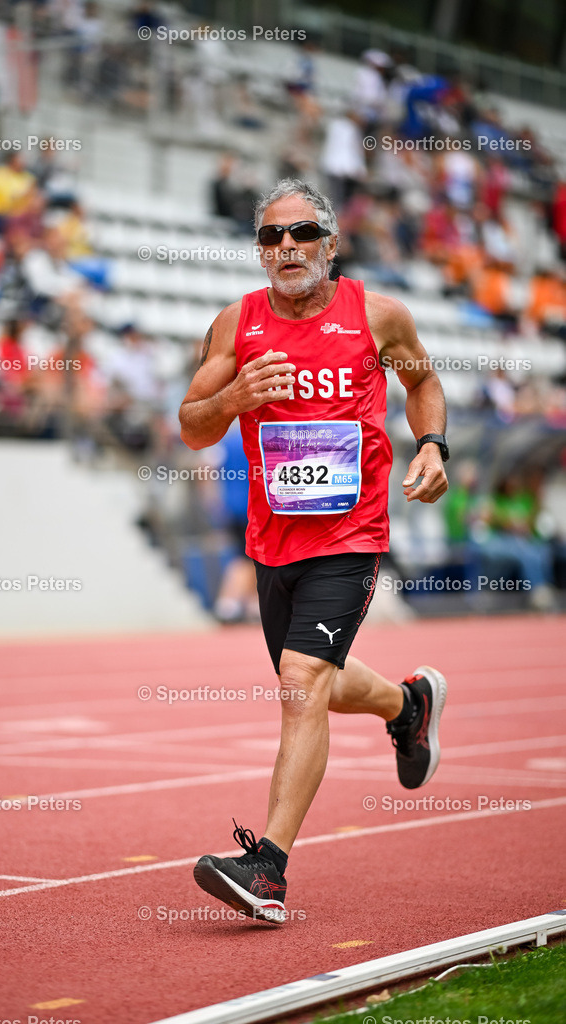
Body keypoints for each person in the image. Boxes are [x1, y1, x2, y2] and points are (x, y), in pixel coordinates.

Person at [179, 178, 449, 924]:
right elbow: (193, 426)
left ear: (330, 244)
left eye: (301, 234)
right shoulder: (237, 323)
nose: (286, 248)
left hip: (348, 533)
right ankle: (406, 703)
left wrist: (430, 444)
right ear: (260, 251)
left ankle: (266, 868)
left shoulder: (378, 314)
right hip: (273, 539)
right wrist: (234, 399)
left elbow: (422, 382)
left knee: (300, 682)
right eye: (271, 237)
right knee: (318, 683)